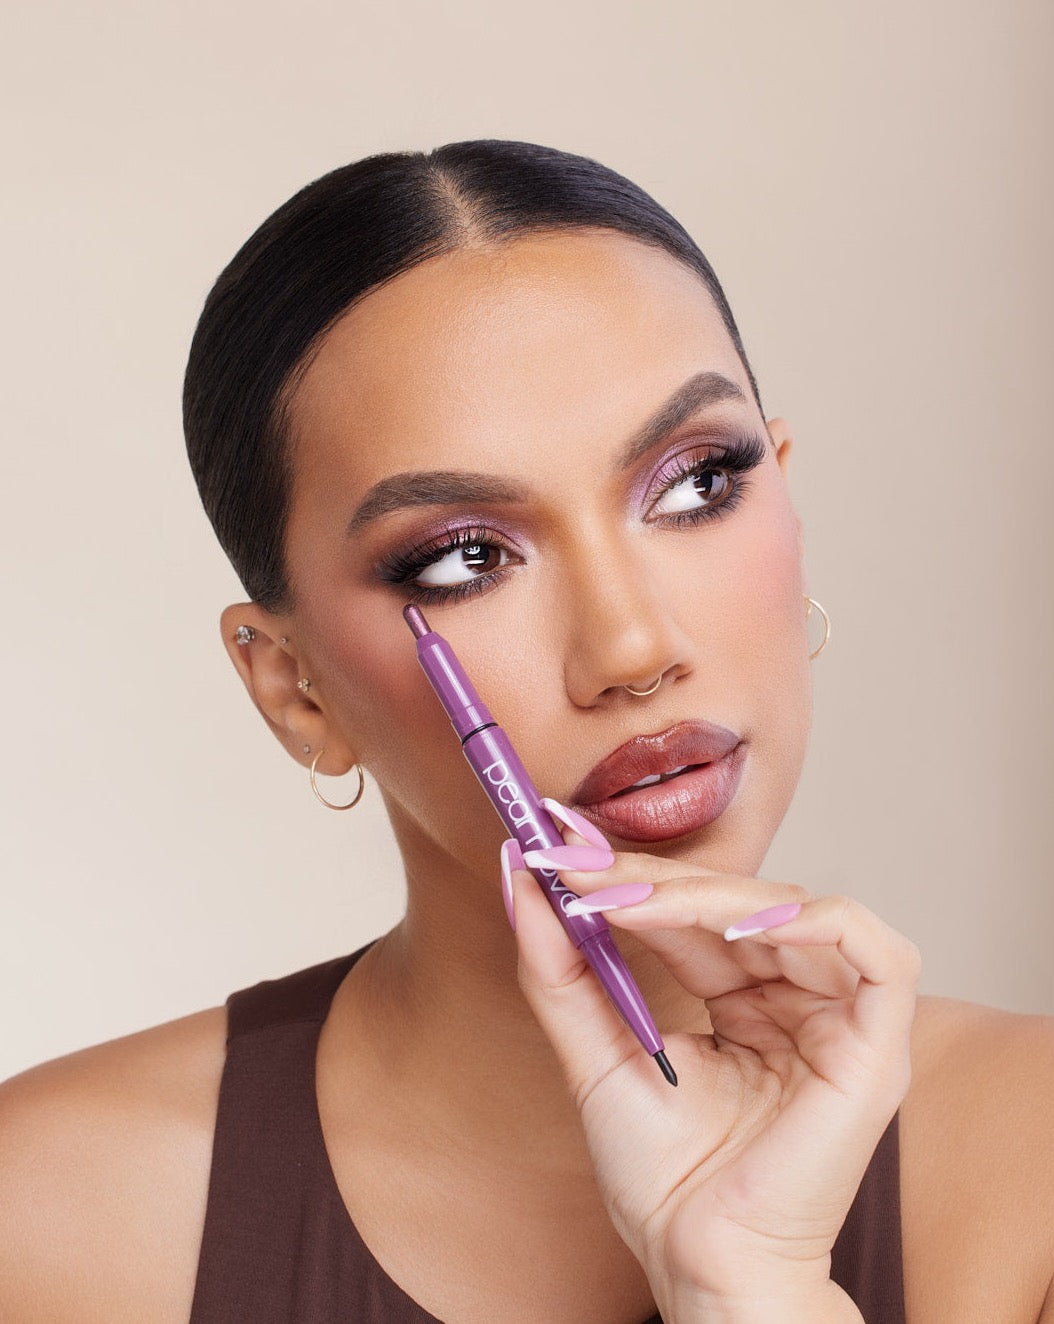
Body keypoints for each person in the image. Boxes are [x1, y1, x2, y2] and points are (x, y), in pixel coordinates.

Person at [1, 139, 1052, 1324]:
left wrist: (752, 1291)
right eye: (463, 557)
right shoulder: (49, 1226)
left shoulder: (1034, 1173)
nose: (632, 647)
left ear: (787, 498)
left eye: (697, 482)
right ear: (294, 688)